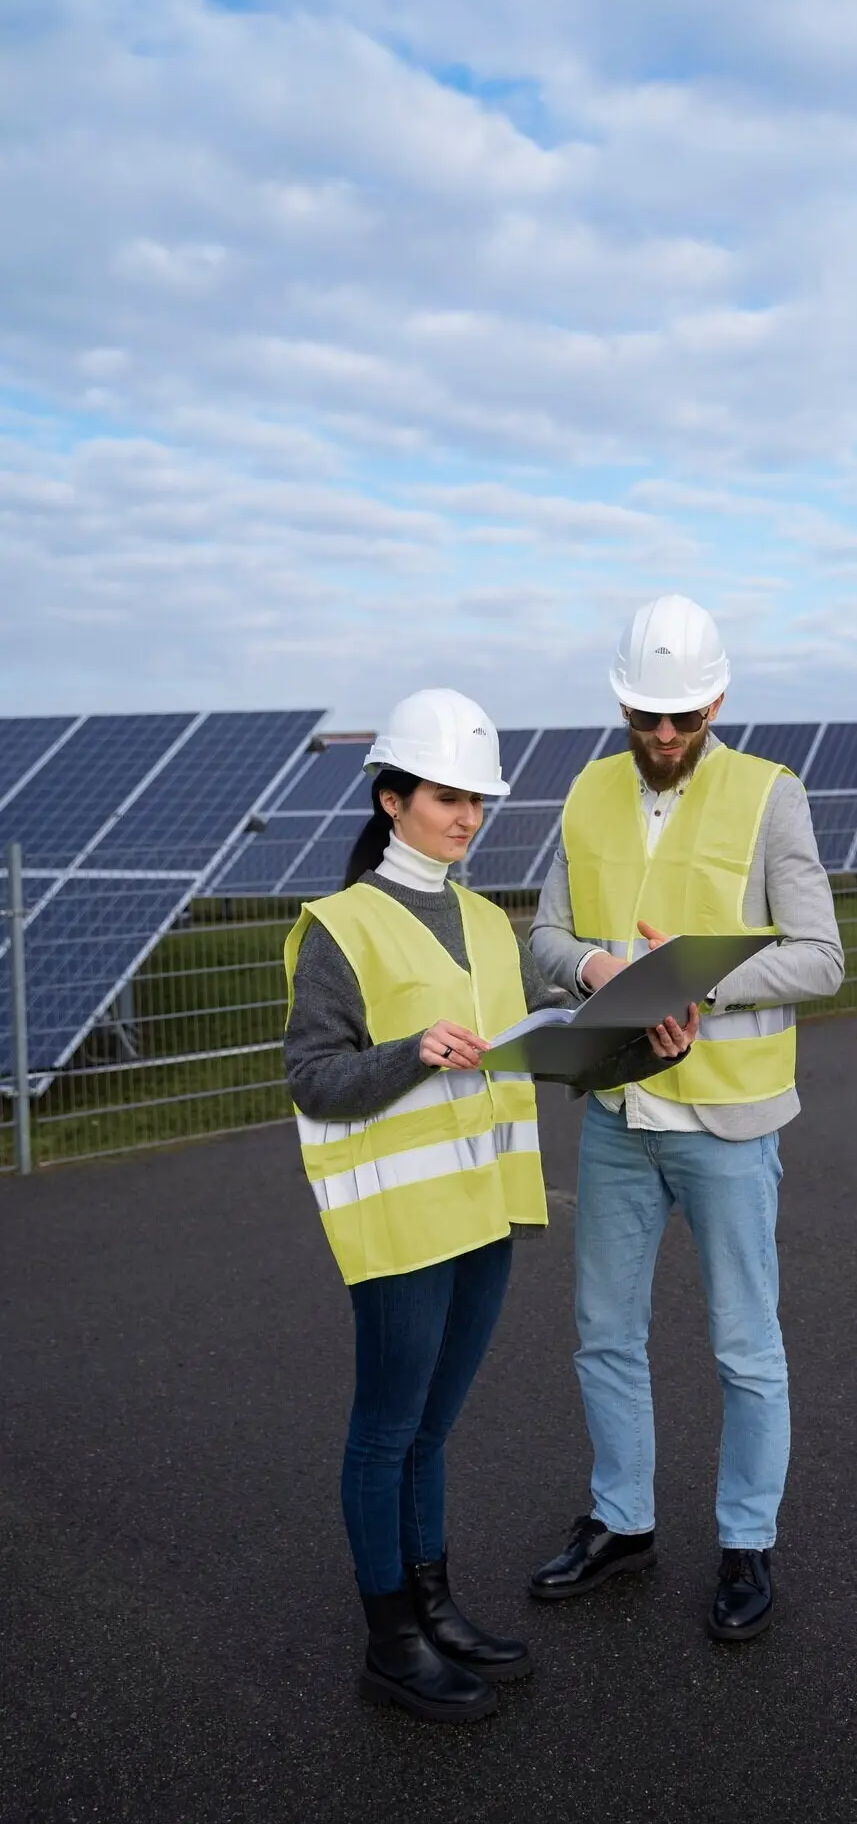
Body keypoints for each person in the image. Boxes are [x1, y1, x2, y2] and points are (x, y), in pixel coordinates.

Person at [283, 688, 696, 1723]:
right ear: (391, 799)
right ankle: (391, 1641)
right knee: (385, 1435)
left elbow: (536, 1057)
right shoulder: (340, 926)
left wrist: (635, 1037)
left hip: (485, 1212)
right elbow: (313, 1078)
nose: (467, 816)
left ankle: (433, 1604)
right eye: (446, 796)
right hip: (401, 1223)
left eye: (478, 799)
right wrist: (407, 1053)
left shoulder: (484, 918)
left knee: (431, 1434)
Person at [527, 596, 844, 1641]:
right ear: (621, 701)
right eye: (644, 718)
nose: (663, 737)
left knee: (746, 1348)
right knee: (602, 1334)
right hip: (617, 1109)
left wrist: (699, 985)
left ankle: (747, 1541)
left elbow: (820, 956)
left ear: (716, 699)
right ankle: (624, 1520)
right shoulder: (585, 789)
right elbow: (545, 935)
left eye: (682, 719)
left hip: (728, 1125)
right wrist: (597, 968)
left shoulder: (770, 796)